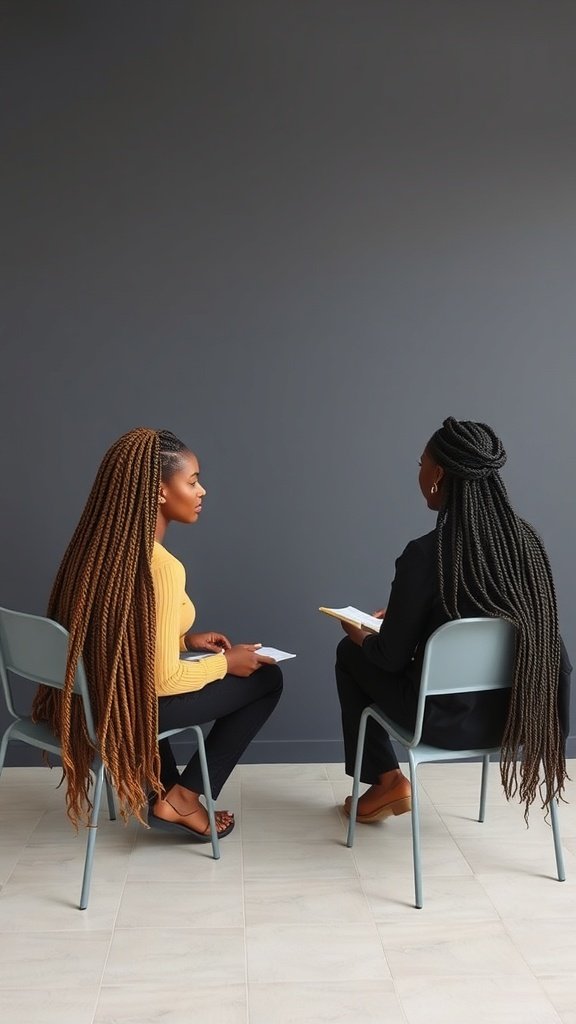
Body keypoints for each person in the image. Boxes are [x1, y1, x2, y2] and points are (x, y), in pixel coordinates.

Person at [32, 428, 283, 840]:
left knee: (175, 673)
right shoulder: (162, 567)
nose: (201, 491)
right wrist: (225, 664)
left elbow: (118, 635)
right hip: (126, 713)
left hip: (89, 703)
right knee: (268, 678)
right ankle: (183, 798)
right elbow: (163, 681)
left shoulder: (96, 553)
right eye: (192, 481)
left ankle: (163, 793)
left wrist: (184, 641)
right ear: (160, 491)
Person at [336, 417, 570, 823]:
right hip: (518, 717)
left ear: (438, 474)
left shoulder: (425, 554)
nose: (420, 472)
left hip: (439, 722)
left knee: (350, 653)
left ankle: (387, 780)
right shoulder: (527, 545)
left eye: (421, 463)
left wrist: (360, 635)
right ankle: (387, 783)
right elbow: (490, 618)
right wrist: (410, 616)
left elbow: (390, 657)